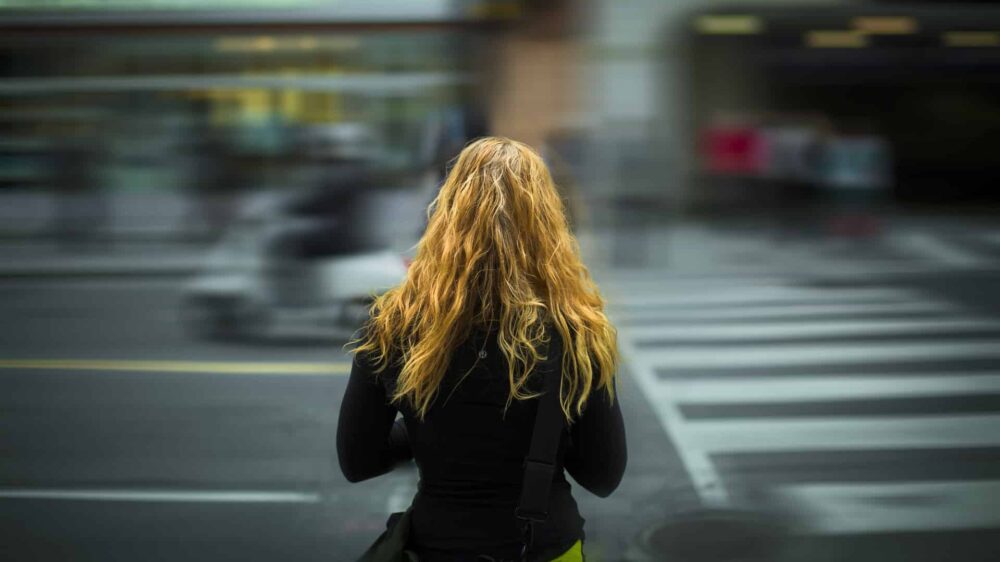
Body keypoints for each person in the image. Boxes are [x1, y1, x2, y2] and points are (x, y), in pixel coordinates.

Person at [337, 137, 627, 561]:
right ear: (547, 221)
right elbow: (603, 475)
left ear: (446, 214)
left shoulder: (393, 323)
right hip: (546, 550)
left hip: (437, 547)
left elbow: (358, 460)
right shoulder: (576, 330)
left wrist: (431, 431)